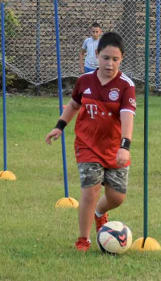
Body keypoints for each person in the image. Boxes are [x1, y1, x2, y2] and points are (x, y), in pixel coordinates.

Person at [45, 32, 136, 252]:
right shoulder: (84, 81)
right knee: (90, 191)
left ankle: (99, 213)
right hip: (87, 145)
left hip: (115, 148)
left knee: (117, 197)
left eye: (115, 59)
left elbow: (127, 116)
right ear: (96, 55)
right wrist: (59, 125)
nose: (109, 63)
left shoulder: (126, 85)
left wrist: (125, 146)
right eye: (105, 58)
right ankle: (83, 239)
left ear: (121, 58)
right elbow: (74, 105)